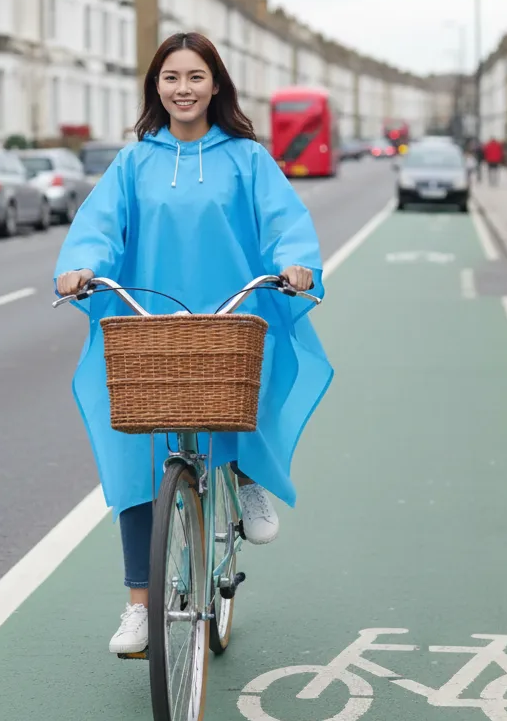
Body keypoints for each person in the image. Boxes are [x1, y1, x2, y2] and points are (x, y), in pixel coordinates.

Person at [54, 32, 334, 655]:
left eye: (196, 77)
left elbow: (285, 221)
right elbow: (98, 227)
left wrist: (297, 264)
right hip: (147, 316)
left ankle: (245, 469)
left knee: (237, 390)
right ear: (156, 86)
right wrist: (80, 267)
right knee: (137, 462)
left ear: (216, 85)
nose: (183, 89)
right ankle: (137, 607)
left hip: (231, 306)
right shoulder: (133, 162)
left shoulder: (246, 158)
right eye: (171, 78)